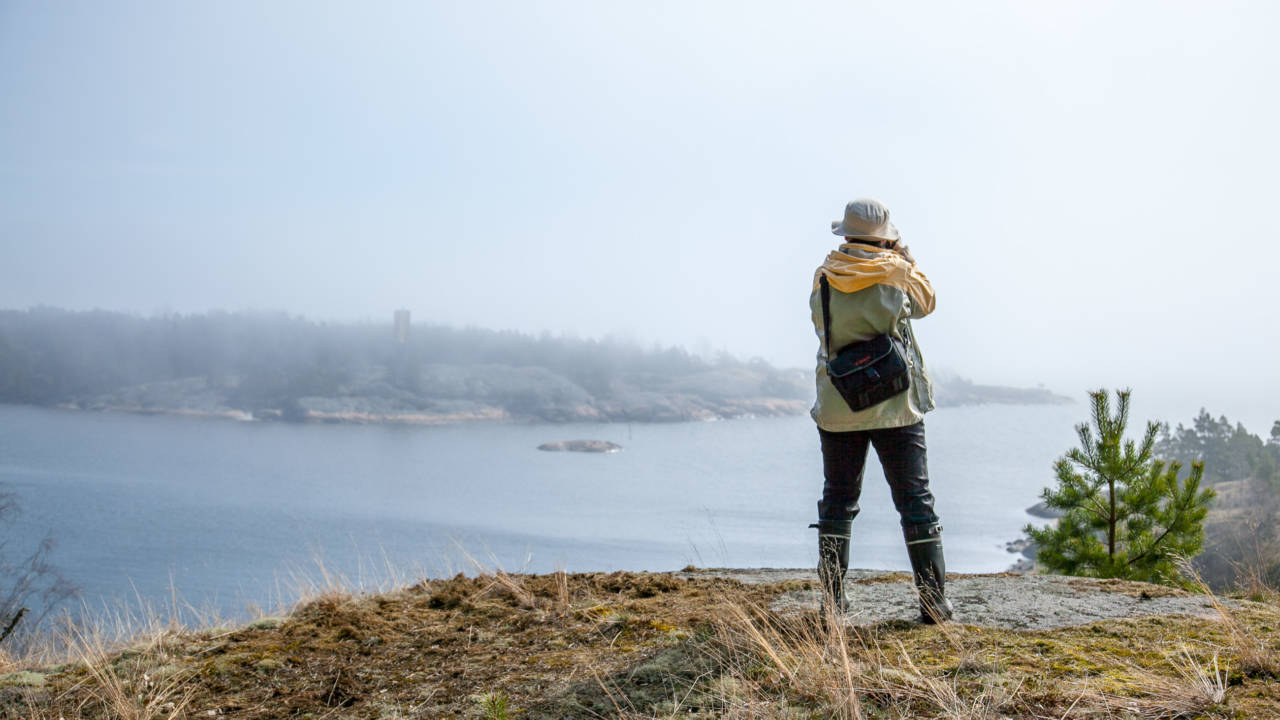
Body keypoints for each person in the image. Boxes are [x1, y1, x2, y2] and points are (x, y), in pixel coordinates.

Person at [808, 198, 953, 623]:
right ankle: (933, 602)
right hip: (895, 404)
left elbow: (822, 326)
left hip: (840, 401)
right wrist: (903, 257)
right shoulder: (897, 271)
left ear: (846, 234)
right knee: (914, 499)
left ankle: (833, 603)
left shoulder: (825, 274)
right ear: (886, 235)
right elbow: (926, 304)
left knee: (837, 499)